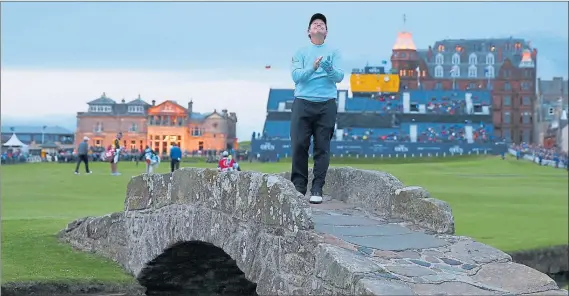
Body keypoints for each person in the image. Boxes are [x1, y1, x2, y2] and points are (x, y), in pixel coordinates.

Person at [289, 13, 344, 204]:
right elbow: (296, 77)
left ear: (326, 32)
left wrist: (328, 68)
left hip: (326, 103)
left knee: (322, 147)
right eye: (315, 24)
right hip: (303, 102)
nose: (318, 25)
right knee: (299, 144)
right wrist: (313, 68)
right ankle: (298, 187)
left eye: (322, 24)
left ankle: (317, 188)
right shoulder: (300, 52)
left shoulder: (334, 52)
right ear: (308, 31)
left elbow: (339, 77)